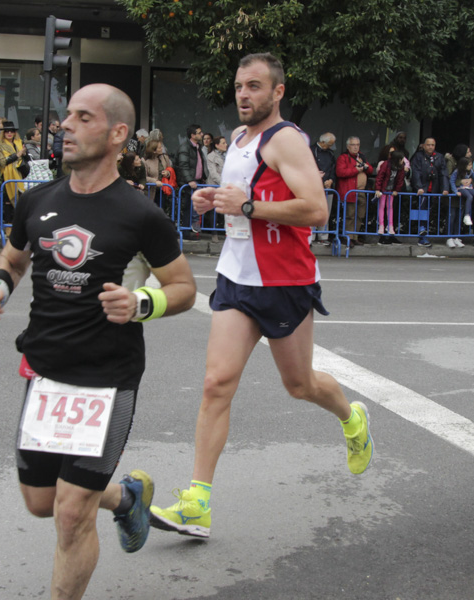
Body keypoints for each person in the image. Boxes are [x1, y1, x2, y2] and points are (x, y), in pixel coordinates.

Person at [0, 83, 196, 600]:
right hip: (46, 371)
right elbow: (13, 258)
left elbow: (184, 288)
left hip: (106, 379)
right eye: (66, 116)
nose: (65, 126)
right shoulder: (36, 199)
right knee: (39, 501)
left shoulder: (141, 214)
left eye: (83, 117)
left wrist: (142, 304)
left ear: (118, 134)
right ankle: (126, 498)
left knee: (71, 514)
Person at [150, 53, 373, 540]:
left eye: (255, 86)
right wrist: (214, 197)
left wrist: (248, 206)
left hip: (284, 282)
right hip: (236, 278)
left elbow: (317, 210)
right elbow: (241, 201)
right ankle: (197, 503)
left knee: (300, 385)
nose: (244, 95)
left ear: (277, 92)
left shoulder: (286, 140)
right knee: (216, 383)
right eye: (239, 86)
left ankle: (351, 417)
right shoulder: (237, 140)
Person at [411, 137, 452, 248]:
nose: (430, 147)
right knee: (421, 212)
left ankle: (423, 234)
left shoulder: (439, 157)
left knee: (428, 212)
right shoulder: (418, 156)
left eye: (432, 145)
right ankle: (422, 236)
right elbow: (415, 172)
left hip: (433, 189)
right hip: (422, 190)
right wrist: (419, 187)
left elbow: (443, 173)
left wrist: (445, 188)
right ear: (424, 145)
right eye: (428, 145)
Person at [336, 136, 374, 246]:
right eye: (353, 144)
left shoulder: (361, 156)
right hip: (350, 190)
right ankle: (348, 237)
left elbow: (371, 170)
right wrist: (355, 170)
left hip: (361, 191)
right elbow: (340, 172)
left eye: (357, 144)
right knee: (350, 215)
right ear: (348, 146)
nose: (356, 147)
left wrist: (366, 167)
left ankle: (355, 236)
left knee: (360, 215)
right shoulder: (343, 157)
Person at [175, 123, 209, 235]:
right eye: (199, 133)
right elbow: (183, 165)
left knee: (190, 206)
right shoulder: (185, 147)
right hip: (188, 182)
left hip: (196, 181)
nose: (202, 134)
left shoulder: (197, 147)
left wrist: (203, 177)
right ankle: (192, 225)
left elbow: (200, 164)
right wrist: (190, 180)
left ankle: (188, 231)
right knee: (192, 204)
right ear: (192, 135)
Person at [0, 120, 26, 235]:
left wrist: (23, 153)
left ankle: (18, 226)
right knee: (8, 201)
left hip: (20, 174)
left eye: (11, 131)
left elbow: (25, 157)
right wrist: (17, 155)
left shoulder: (19, 142)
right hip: (7, 175)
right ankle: (8, 225)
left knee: (21, 200)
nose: (9, 133)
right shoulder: (0, 144)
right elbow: (2, 161)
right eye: (6, 131)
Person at [373, 149, 407, 245]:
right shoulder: (386, 165)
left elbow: (400, 180)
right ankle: (381, 225)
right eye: (401, 159)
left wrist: (396, 190)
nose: (403, 161)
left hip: (391, 190)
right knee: (382, 206)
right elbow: (380, 177)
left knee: (390, 207)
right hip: (383, 190)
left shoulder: (401, 167)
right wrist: (378, 189)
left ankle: (391, 226)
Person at [450, 158, 474, 248]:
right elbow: (452, 181)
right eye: (469, 165)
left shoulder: (471, 172)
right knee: (470, 197)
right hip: (461, 189)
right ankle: (467, 215)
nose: (471, 166)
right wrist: (455, 191)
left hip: (469, 188)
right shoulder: (457, 171)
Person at [311, 132, 336, 245]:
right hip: (313, 186)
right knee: (312, 210)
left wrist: (330, 180)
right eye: (329, 144)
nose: (331, 146)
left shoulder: (330, 154)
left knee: (326, 211)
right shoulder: (311, 150)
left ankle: (323, 236)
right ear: (323, 142)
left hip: (327, 186)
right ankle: (310, 235)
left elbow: (333, 168)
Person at [142, 137, 172, 211]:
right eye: (159, 147)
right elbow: (143, 177)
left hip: (163, 190)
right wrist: (155, 181)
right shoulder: (145, 161)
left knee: (160, 211)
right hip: (150, 191)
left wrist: (167, 173)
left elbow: (169, 169)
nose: (162, 148)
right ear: (154, 150)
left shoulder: (164, 157)